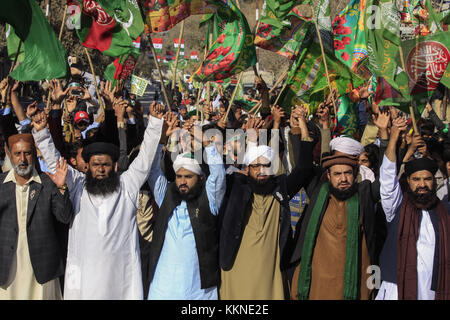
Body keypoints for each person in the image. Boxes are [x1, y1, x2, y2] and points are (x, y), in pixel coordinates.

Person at [31, 100, 165, 299]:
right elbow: (54, 162)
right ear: (88, 166)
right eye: (96, 165)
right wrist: (42, 133)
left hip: (120, 279)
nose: (101, 170)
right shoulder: (78, 186)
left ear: (115, 167)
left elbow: (145, 159)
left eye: (105, 165)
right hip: (86, 279)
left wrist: (154, 122)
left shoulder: (127, 185)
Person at [219, 106, 315, 299]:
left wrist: (302, 125)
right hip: (237, 269)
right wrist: (238, 134)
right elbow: (215, 167)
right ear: (247, 167)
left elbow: (304, 167)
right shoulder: (235, 186)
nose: (261, 170)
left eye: (266, 165)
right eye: (256, 166)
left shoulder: (280, 188)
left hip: (268, 273)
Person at [146, 120, 226, 299]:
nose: (182, 181)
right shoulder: (166, 195)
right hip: (163, 285)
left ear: (200, 178)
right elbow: (152, 172)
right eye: (179, 176)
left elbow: (218, 174)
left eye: (188, 177)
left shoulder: (210, 200)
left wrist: (205, 142)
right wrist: (160, 141)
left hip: (198, 288)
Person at [290, 147, 382, 300]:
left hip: (356, 281)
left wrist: (387, 142)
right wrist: (302, 133)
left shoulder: (365, 195)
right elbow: (304, 167)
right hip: (318, 282)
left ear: (355, 175)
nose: (343, 179)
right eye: (337, 174)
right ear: (328, 176)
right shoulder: (318, 194)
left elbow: (387, 184)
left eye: (348, 173)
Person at [376, 117, 450, 300]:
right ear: (408, 181)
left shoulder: (443, 212)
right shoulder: (397, 208)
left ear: (435, 181)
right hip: (396, 290)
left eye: (427, 179)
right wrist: (393, 137)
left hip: (434, 290)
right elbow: (387, 180)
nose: (422, 184)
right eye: (416, 180)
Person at [0, 133, 74, 299]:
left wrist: (62, 188)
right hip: (7, 265)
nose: (23, 159)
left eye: (27, 153)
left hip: (42, 266)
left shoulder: (47, 183)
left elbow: (64, 217)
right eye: (17, 154)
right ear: (10, 155)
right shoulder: (1, 185)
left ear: (33, 154)